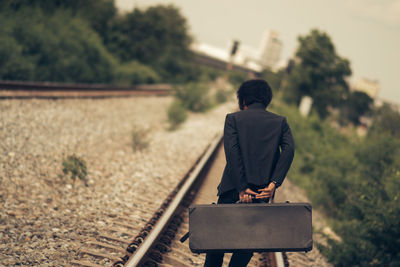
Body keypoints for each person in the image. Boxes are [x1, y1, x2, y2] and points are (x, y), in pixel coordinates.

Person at [204, 79, 295, 267]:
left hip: (232, 190)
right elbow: (289, 150)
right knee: (245, 248)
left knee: (216, 244)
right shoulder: (280, 123)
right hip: (261, 194)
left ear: (243, 100)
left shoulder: (233, 119)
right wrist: (273, 184)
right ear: (266, 100)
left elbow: (232, 154)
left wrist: (242, 188)